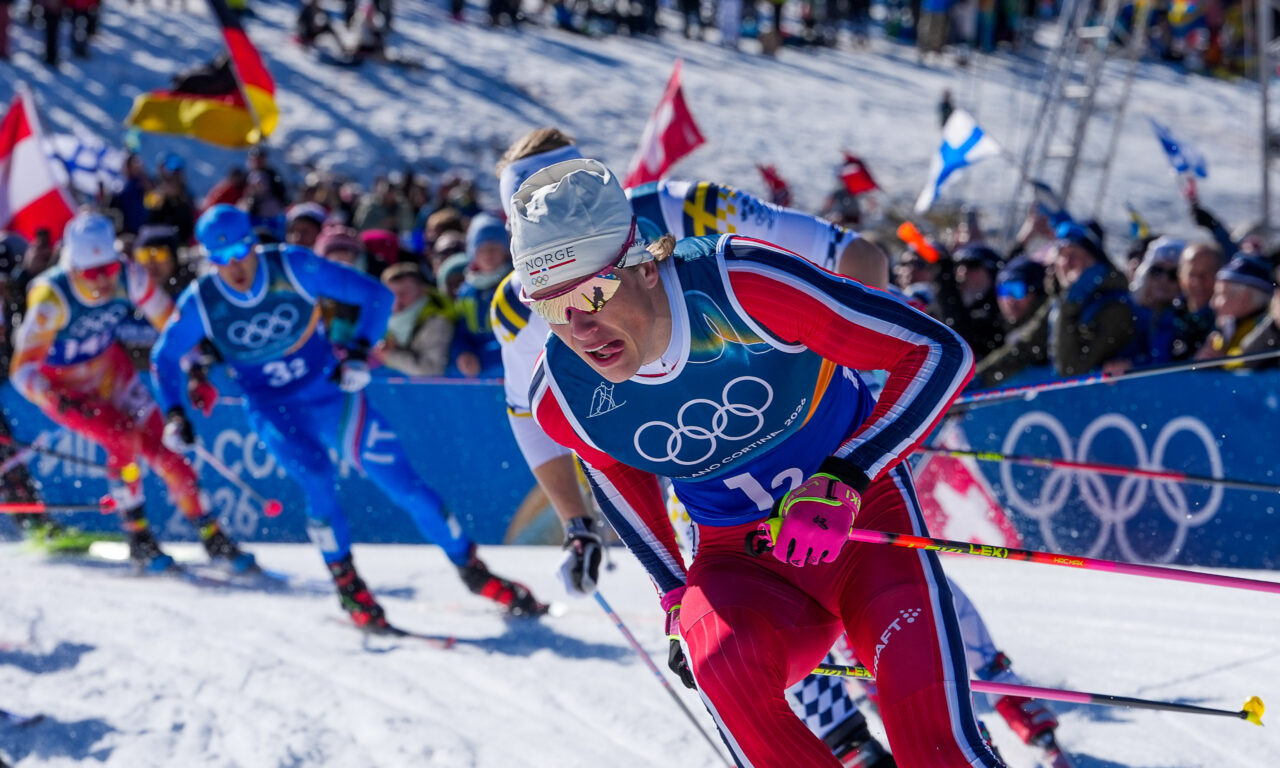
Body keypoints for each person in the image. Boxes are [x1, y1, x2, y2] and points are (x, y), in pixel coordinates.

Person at [514, 158, 998, 767]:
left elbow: (936, 350)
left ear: (643, 263)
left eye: (593, 291)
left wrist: (846, 476)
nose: (580, 326)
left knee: (937, 751)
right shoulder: (562, 395)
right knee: (720, 667)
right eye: (551, 308)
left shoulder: (743, 284)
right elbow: (613, 475)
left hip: (862, 523)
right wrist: (672, 597)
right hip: (739, 559)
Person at [151, 205, 546, 629]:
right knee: (316, 477)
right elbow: (163, 357)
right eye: (222, 258)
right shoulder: (203, 301)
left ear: (254, 243)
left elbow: (377, 296)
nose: (236, 267)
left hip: (329, 396)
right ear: (209, 259)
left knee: (405, 485)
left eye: (241, 251)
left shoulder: (292, 264)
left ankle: (472, 570)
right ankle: (347, 583)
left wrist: (358, 350)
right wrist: (174, 414)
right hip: (275, 410)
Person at [9, 212, 255, 572]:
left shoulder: (130, 276)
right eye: (93, 273)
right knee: (120, 437)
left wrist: (196, 370)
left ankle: (212, 534)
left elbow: (173, 329)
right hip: (65, 389)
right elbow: (22, 370)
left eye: (108, 268)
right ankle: (139, 537)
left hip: (111, 374)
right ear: (74, 267)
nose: (105, 280)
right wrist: (50, 395)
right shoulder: (51, 297)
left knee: (168, 450)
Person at [1047, 222, 1136, 376]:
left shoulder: (1115, 305)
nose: (1066, 263)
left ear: (1093, 259)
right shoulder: (1061, 297)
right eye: (1062, 255)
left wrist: (1069, 308)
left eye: (1074, 255)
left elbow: (1072, 370)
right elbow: (1025, 347)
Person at [974, 256, 1049, 386]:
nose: (1008, 299)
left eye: (1016, 290)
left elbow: (1022, 350)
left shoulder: (1047, 324)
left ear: (1036, 291)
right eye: (1003, 291)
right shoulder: (1001, 327)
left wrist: (976, 380)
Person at [450, 213, 509, 378]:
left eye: (494, 247)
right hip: (478, 376)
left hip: (509, 372)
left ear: (505, 251)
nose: (488, 254)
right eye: (482, 248)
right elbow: (460, 331)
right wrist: (462, 354)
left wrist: (484, 360)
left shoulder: (515, 285)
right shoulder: (466, 290)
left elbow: (522, 337)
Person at [379, 262, 453, 376]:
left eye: (404, 292)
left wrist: (390, 356)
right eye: (391, 294)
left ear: (422, 291)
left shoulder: (437, 323)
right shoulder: (380, 320)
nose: (397, 300)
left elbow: (431, 371)